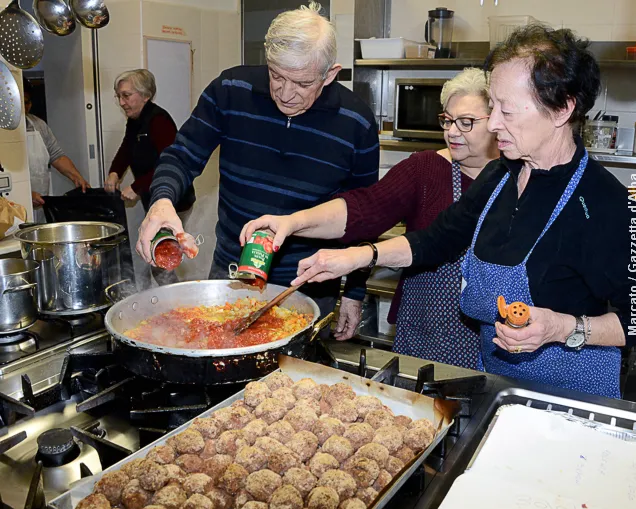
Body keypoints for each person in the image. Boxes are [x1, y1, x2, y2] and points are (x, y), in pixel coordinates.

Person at [252, 25, 636, 398]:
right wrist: (354, 257)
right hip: (501, 387)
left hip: (567, 401)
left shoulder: (605, 205)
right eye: (493, 108)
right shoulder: (501, 177)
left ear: (562, 110)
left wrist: (563, 328)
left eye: (506, 110)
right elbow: (436, 240)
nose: (494, 125)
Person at [136, 2, 379, 337]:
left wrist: (353, 292)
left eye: (302, 82)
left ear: (330, 74)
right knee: (217, 366)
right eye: (276, 75)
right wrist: (162, 201)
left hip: (308, 280)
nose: (286, 93)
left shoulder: (357, 122)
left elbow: (364, 214)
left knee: (290, 382)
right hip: (232, 271)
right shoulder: (231, 91)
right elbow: (181, 155)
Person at [241, 68, 499, 367]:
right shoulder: (424, 169)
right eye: (448, 120)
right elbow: (364, 208)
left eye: (466, 122)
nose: (453, 131)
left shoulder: (519, 177)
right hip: (429, 331)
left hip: (502, 335)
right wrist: (293, 222)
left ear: (497, 122)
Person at [105, 69, 195, 286]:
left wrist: (136, 186)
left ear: (145, 95)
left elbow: (170, 163)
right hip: (152, 198)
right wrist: (115, 171)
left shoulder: (159, 121)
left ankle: (178, 307)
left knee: (161, 260)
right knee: (159, 259)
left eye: (127, 95)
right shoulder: (134, 120)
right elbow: (127, 147)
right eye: (119, 96)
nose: (122, 102)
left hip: (175, 202)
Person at [24, 80, 90, 222]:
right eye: (20, 103)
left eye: (27, 102)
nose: (24, 108)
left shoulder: (38, 125)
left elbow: (57, 156)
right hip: (11, 208)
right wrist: (26, 195)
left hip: (40, 205)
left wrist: (76, 177)